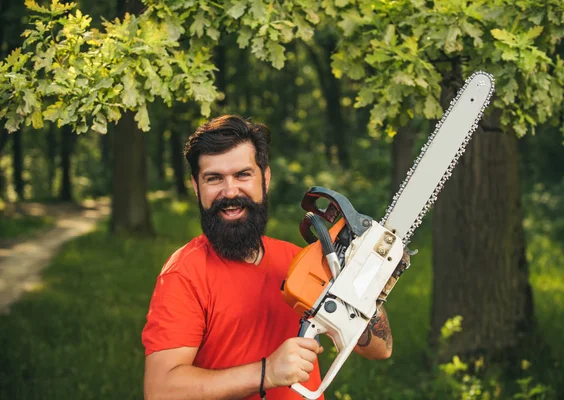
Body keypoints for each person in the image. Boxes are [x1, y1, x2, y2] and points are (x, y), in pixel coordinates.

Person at [142, 115, 400, 400]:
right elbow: (160, 390)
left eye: (243, 175)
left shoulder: (298, 261)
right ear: (196, 186)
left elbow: (379, 348)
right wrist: (268, 372)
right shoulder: (184, 275)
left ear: (265, 178)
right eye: (214, 178)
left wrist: (357, 282)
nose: (230, 192)